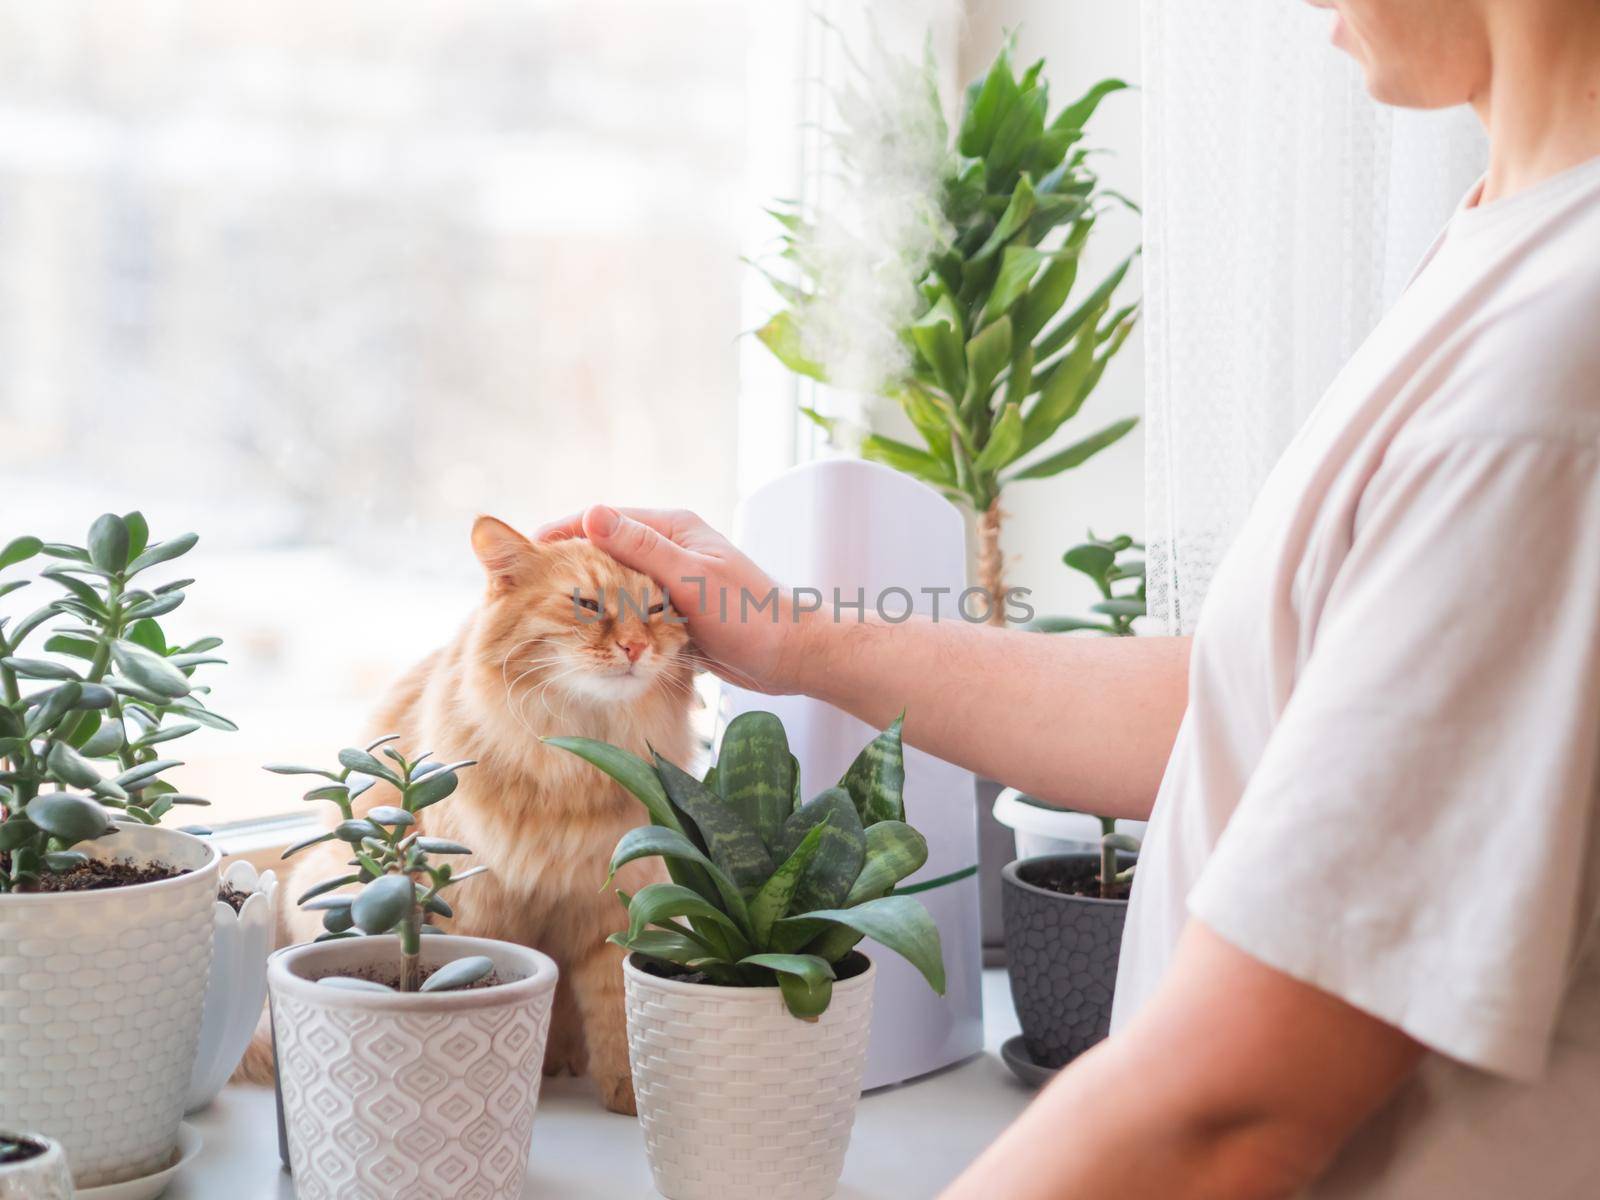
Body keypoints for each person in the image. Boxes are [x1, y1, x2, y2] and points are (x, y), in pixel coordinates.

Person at [539, 1, 1600, 1193]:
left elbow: (1230, 1109)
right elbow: (1250, 711)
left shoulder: (1551, 372)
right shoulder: (1507, 250)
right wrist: (798, 640)